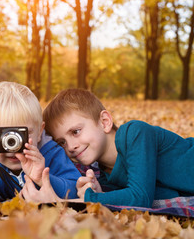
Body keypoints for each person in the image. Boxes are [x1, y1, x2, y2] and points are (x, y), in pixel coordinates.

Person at [20, 88, 194, 207]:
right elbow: (167, 196)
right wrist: (101, 193)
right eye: (62, 142)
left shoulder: (134, 133)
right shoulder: (104, 177)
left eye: (76, 131)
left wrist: (70, 201)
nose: (71, 146)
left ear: (105, 122)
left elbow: (141, 198)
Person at [0, 82, 82, 201]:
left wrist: (43, 179)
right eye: (4, 136)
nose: (13, 148)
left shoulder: (52, 154)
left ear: (39, 132)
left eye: (22, 134)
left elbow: (77, 190)